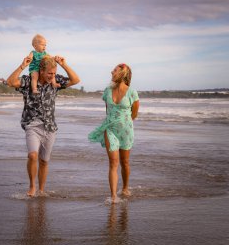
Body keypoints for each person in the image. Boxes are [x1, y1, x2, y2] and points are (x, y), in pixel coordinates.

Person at [7, 54, 80, 196]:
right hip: (32, 125)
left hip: (50, 127)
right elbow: (10, 82)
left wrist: (64, 64)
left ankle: (41, 190)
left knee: (44, 161)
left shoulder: (55, 82)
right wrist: (23, 65)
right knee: (33, 156)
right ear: (41, 71)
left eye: (54, 73)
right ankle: (32, 186)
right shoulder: (29, 82)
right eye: (49, 73)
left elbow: (75, 80)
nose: (52, 76)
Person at [88, 63, 139, 203]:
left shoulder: (132, 92)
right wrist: (113, 123)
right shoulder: (107, 91)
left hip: (126, 131)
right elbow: (108, 110)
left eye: (114, 70)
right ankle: (113, 196)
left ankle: (125, 187)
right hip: (110, 129)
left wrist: (124, 123)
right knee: (113, 162)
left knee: (125, 162)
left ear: (122, 73)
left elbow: (134, 114)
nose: (111, 72)